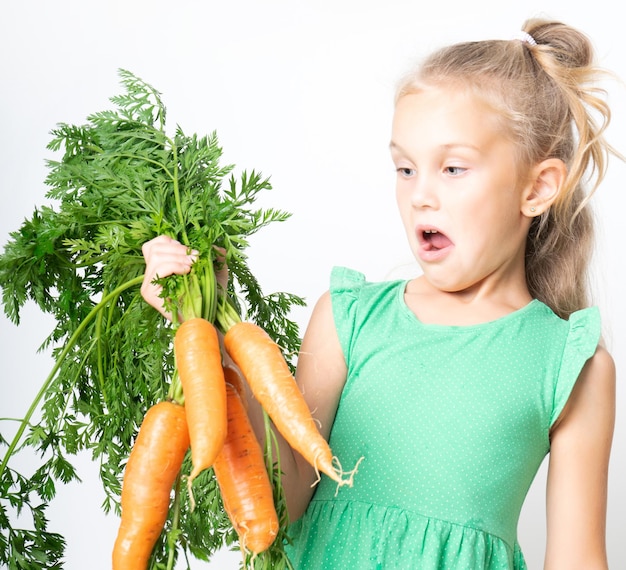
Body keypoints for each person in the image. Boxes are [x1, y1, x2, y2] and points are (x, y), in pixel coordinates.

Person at [140, 18, 618, 569]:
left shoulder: (568, 362)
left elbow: (578, 559)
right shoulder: (350, 319)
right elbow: (287, 496)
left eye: (453, 168)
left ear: (537, 188)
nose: (420, 195)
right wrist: (211, 332)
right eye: (406, 168)